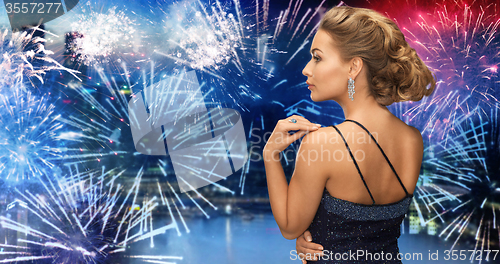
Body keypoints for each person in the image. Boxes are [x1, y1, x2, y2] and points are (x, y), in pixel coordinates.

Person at [263, 6, 435, 264]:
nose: (306, 69)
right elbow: (371, 230)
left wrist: (270, 154)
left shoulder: (321, 143)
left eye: (317, 57)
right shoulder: (413, 140)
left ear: (354, 66)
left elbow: (290, 227)